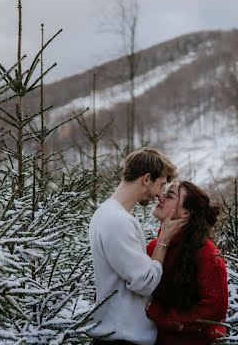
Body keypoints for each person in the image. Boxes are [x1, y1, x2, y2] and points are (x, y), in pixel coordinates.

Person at [88, 147, 184, 345]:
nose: (160, 195)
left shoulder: (114, 215)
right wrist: (164, 239)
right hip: (121, 336)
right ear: (146, 178)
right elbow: (145, 281)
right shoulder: (116, 220)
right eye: (161, 185)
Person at [145, 181, 228, 345]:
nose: (160, 197)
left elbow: (215, 309)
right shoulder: (153, 248)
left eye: (169, 196)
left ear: (185, 213)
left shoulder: (206, 253)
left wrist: (166, 318)